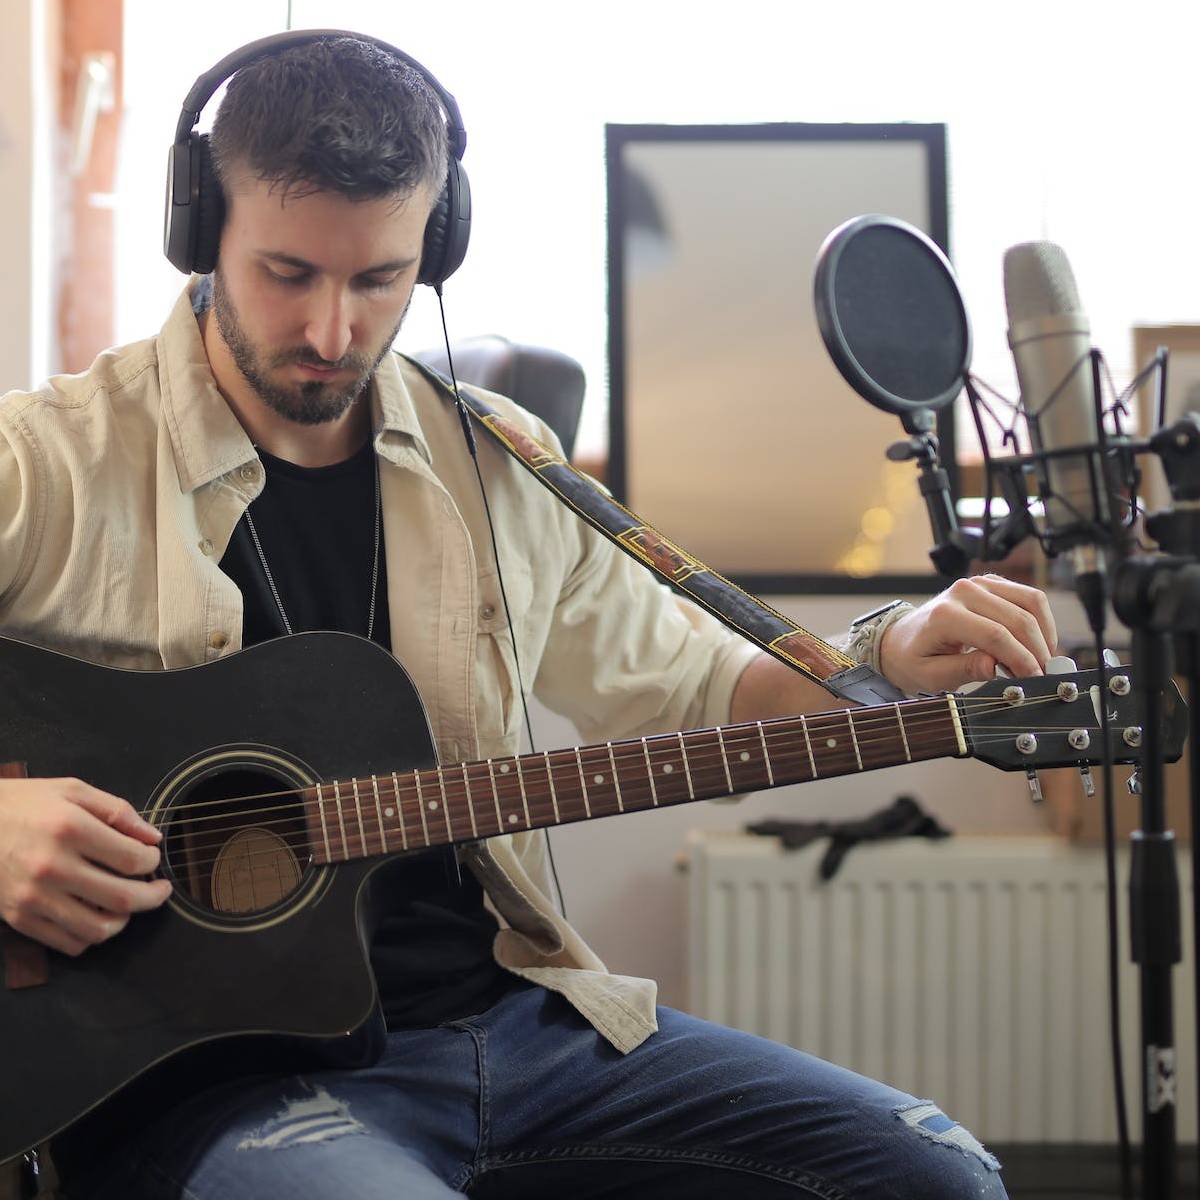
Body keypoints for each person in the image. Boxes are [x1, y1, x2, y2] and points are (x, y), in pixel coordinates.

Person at [0, 31, 1055, 1200]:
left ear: (436, 248)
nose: (332, 332)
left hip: (514, 1019)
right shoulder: (46, 464)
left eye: (380, 278)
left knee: (934, 1174)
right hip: (206, 1082)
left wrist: (892, 657)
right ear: (201, 230)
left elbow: (705, 688)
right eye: (287, 273)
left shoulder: (499, 463)